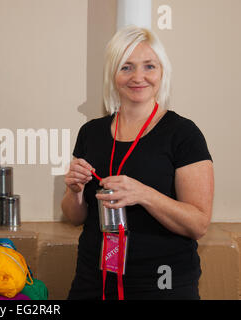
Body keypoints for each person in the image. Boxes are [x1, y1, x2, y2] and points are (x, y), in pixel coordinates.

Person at [62, 25, 214, 300]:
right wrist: (74, 191)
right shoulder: (90, 132)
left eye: (149, 66)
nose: (138, 77)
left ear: (162, 72)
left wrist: (143, 194)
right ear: (113, 73)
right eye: (126, 67)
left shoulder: (183, 134)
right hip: (95, 279)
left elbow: (198, 224)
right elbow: (74, 217)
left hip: (163, 282)